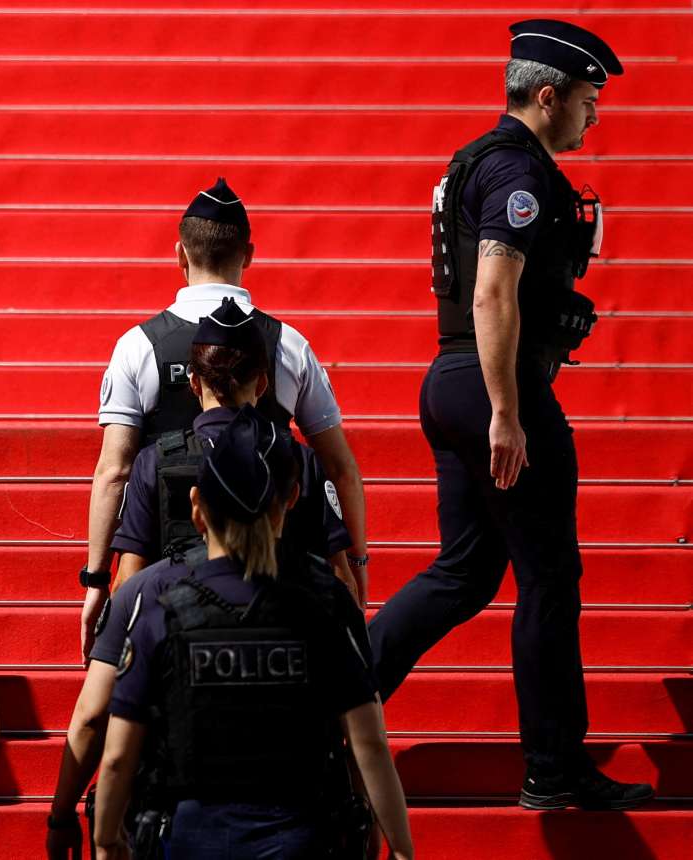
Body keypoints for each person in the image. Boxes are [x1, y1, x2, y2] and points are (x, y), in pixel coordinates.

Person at [368, 18, 654, 811]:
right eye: (588, 101)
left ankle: (330, 707)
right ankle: (553, 769)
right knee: (550, 577)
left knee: (464, 573)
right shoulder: (517, 173)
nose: (593, 117)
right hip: (494, 387)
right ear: (548, 96)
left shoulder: (477, 161)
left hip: (452, 378)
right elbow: (493, 293)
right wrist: (508, 410)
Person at [90, 408, 412, 860]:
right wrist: (399, 847)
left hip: (193, 837)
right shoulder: (325, 602)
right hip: (301, 836)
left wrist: (106, 840)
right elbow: (369, 743)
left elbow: (118, 755)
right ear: (292, 498)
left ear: (197, 509)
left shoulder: (163, 608)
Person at [81, 178, 367, 660]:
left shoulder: (138, 346)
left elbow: (114, 471)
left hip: (169, 585)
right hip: (277, 581)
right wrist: (356, 561)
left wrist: (95, 579)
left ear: (180, 254)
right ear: (248, 254)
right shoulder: (288, 344)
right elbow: (340, 467)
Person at [109, 297, 355, 591]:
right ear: (262, 384)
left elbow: (127, 579)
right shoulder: (299, 460)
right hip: (283, 613)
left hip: (182, 613)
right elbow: (341, 580)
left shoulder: (154, 461)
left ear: (194, 384)